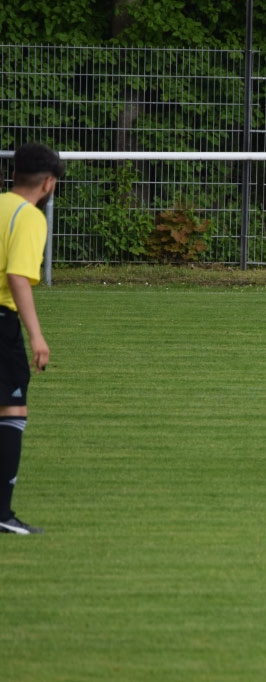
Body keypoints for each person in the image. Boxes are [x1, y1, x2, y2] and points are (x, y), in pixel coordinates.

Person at [0, 142, 64, 534]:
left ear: (13, 175)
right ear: (49, 183)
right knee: (12, 412)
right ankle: (2, 515)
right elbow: (17, 277)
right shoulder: (29, 217)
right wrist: (36, 337)